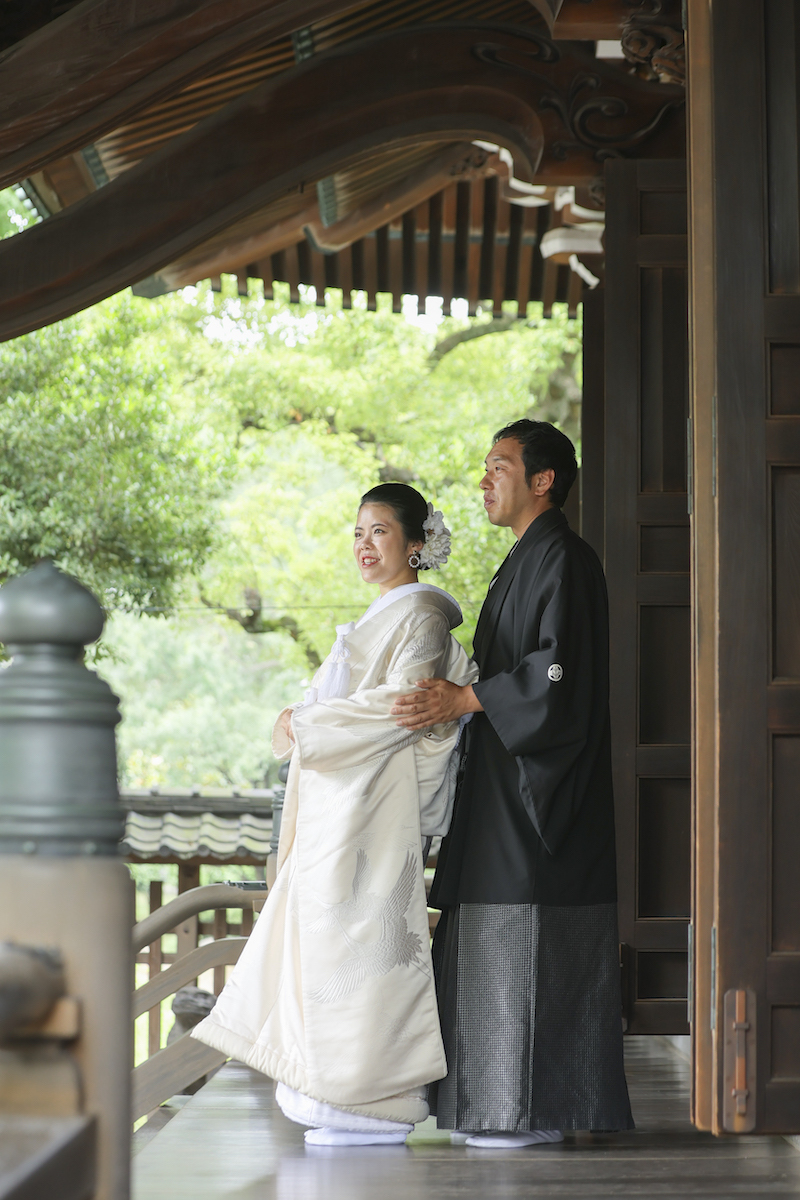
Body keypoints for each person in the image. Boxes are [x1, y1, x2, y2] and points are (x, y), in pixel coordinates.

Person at [193, 483, 477, 1147]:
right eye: (358, 533)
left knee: (367, 945)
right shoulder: (380, 616)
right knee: (323, 946)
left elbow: (405, 705)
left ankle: (371, 1095)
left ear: (416, 544)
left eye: (380, 532)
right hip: (339, 808)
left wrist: (307, 721)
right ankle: (325, 1085)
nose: (365, 546)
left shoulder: (425, 618)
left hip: (375, 809)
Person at [392, 420, 634, 1148]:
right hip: (502, 794)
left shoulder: (565, 559)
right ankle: (494, 1108)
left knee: (528, 946)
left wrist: (465, 700)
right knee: (485, 944)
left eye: (499, 465)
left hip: (540, 804)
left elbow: (555, 678)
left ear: (543, 480)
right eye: (485, 466)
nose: (484, 479)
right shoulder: (523, 562)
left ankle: (527, 1113)